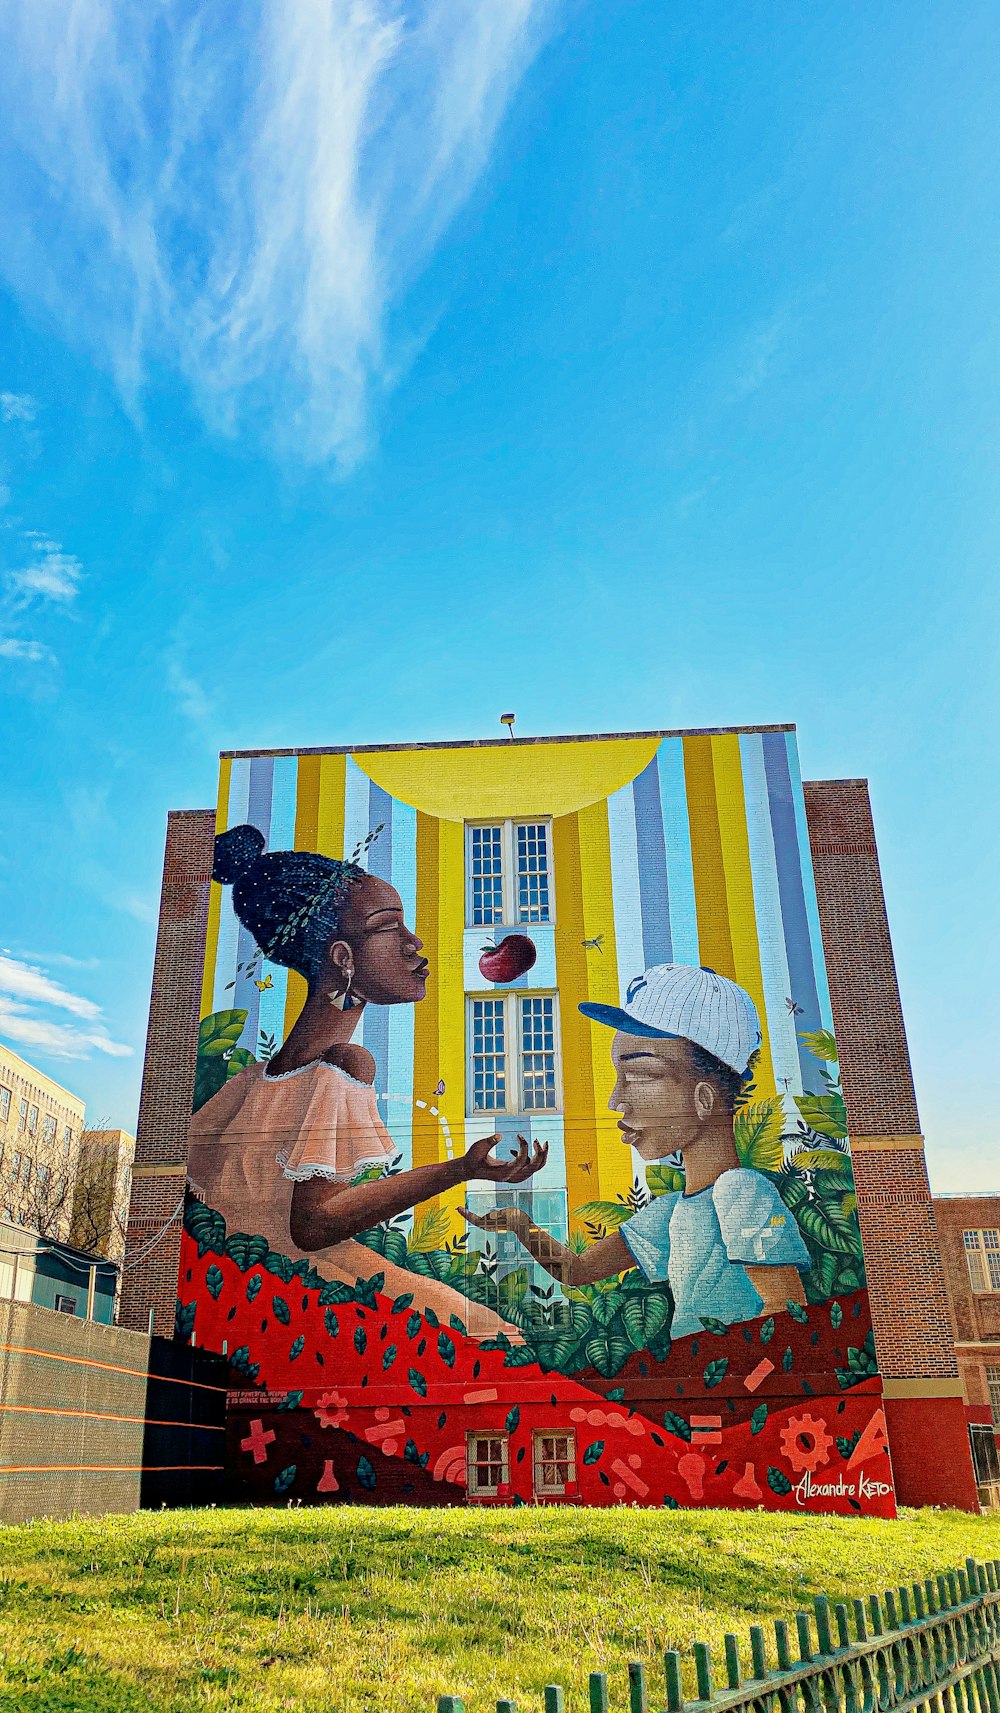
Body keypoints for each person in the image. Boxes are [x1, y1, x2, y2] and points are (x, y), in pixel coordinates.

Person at [188, 824, 545, 1325]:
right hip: (299, 1296)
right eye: (388, 927)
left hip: (240, 1296)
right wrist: (459, 1170)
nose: (413, 942)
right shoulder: (345, 1066)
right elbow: (312, 1227)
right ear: (343, 958)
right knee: (488, 1333)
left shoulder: (245, 1084)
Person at [465, 964, 808, 1339]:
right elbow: (577, 1271)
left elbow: (788, 1316)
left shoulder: (741, 1192)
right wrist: (519, 1223)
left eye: (642, 1075)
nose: (616, 1100)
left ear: (704, 1098)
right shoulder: (674, 1211)